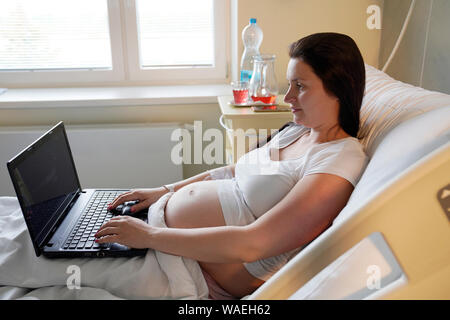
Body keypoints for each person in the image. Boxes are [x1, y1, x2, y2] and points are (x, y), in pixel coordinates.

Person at [95, 32, 368, 299]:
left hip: (193, 270)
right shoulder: (297, 131)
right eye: (289, 85)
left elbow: (254, 243)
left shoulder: (340, 159)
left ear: (338, 90)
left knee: (64, 277)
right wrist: (164, 190)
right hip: (168, 238)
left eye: (300, 86)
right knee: (64, 255)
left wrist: (150, 236)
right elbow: (232, 171)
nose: (287, 97)